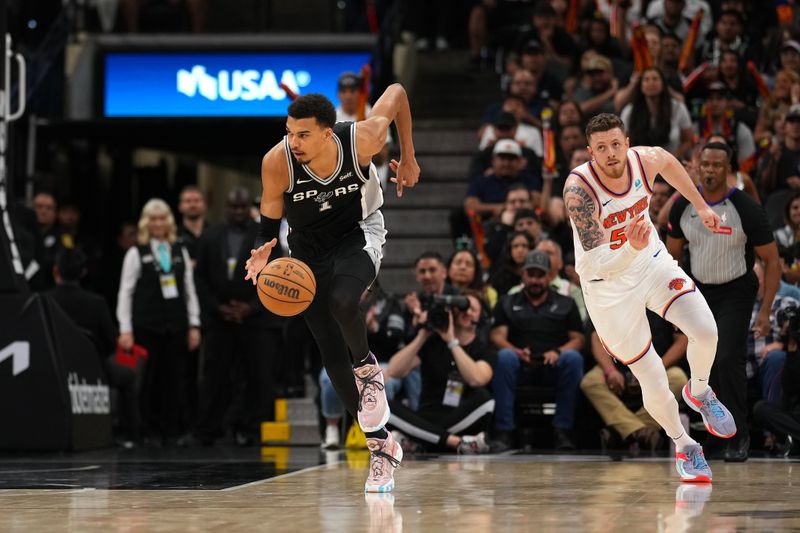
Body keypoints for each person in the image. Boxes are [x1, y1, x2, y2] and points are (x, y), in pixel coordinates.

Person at [244, 86, 420, 493]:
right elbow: (269, 220)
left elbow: (396, 94)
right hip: (307, 250)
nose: (294, 142)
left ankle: (369, 372)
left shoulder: (362, 139)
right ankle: (381, 448)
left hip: (358, 234)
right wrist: (262, 251)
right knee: (327, 348)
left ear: (328, 131)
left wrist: (408, 155)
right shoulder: (277, 162)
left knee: (344, 302)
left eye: (303, 134)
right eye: (289, 132)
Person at [562, 113, 735, 483]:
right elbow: (597, 260)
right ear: (590, 153)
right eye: (601, 148)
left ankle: (700, 391)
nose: (610, 153)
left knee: (706, 331)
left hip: (648, 261)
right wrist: (629, 247)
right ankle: (685, 444)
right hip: (607, 284)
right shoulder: (578, 190)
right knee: (651, 376)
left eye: (615, 144)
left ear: (627, 142)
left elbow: (671, 164)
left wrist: (701, 206)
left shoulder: (645, 159)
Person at [667, 142, 780, 462]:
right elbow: (672, 255)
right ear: (697, 166)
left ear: (728, 169)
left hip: (736, 290)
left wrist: (766, 311)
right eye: (705, 165)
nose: (711, 171)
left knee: (728, 356)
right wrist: (674, 300)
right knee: (703, 360)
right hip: (698, 289)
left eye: (718, 165)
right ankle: (717, 434)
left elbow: (772, 261)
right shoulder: (682, 206)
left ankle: (739, 437)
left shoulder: (745, 207)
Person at [194, 187, 282, 445]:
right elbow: (199, 278)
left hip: (256, 320)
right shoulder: (210, 236)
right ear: (225, 207)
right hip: (219, 319)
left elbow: (276, 275)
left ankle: (252, 430)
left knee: (258, 376)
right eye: (234, 207)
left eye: (243, 207)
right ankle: (209, 429)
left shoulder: (266, 236)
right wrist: (217, 307)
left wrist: (251, 307)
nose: (239, 211)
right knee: (215, 375)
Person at [117, 198, 202, 445]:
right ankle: (145, 429)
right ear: (146, 223)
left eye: (162, 218)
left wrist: (194, 324)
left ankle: (171, 430)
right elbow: (125, 292)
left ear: (169, 221)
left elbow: (189, 289)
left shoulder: (180, 250)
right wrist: (125, 328)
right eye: (153, 219)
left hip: (176, 324)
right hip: (146, 325)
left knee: (174, 379)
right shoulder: (136, 253)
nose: (158, 223)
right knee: (147, 380)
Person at [490, 250, 585, 451]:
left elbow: (578, 339)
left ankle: (563, 430)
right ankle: (504, 431)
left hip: (552, 367)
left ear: (549, 276)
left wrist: (558, 352)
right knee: (504, 356)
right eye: (530, 275)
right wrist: (515, 350)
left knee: (573, 358)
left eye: (540, 275)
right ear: (523, 275)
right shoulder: (507, 302)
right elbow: (497, 336)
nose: (535, 280)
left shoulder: (565, 303)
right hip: (520, 367)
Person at [387, 290, 496, 454]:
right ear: (452, 312)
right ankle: (455, 442)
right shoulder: (432, 342)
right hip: (426, 417)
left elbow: (477, 379)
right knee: (383, 404)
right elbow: (394, 370)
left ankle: (419, 440)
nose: (467, 312)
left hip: (461, 418)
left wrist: (452, 342)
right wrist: (423, 335)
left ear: (480, 317)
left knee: (485, 399)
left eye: (473, 309)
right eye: (462, 307)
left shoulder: (485, 349)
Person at [581, 312, 688, 453]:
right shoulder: (612, 296)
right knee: (590, 381)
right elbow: (596, 337)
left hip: (657, 366)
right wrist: (610, 371)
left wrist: (655, 368)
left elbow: (682, 340)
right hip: (617, 367)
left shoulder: (665, 298)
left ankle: (622, 432)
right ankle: (641, 432)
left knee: (678, 378)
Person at [176, 185, 207, 264]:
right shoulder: (173, 235)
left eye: (197, 201)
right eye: (188, 201)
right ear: (180, 206)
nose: (193, 205)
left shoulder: (214, 233)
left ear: (205, 205)